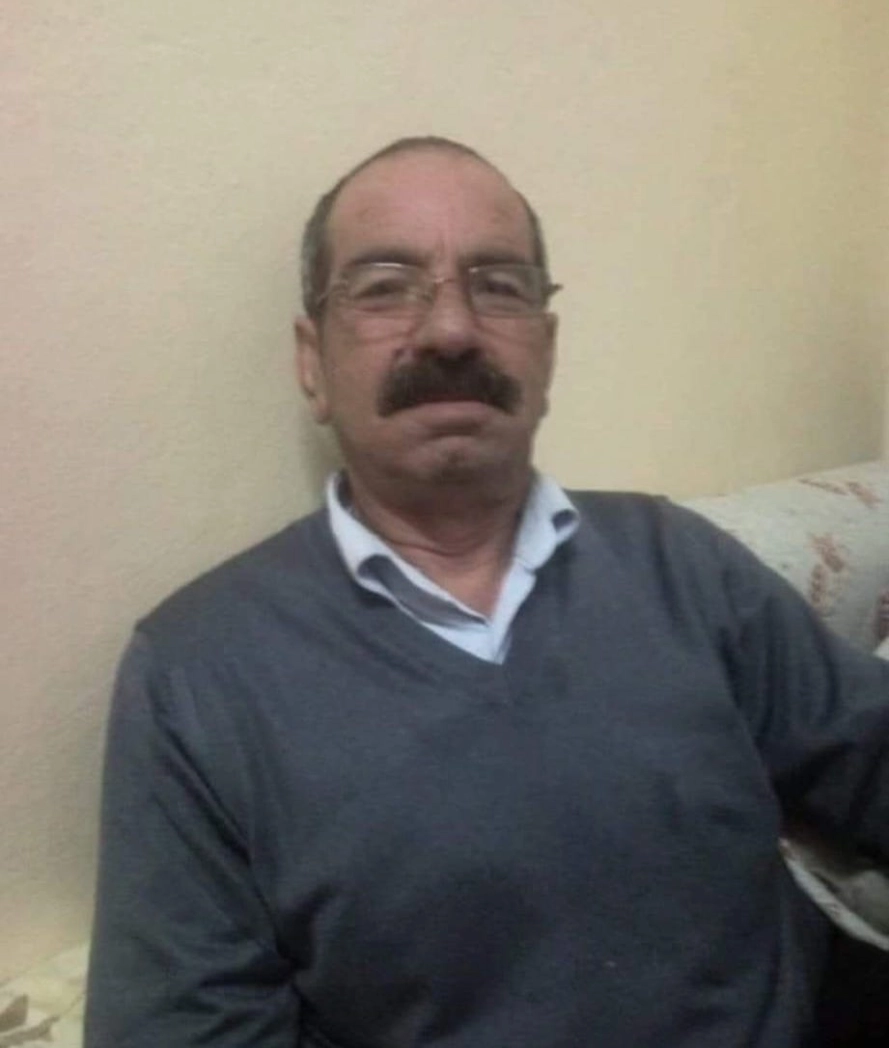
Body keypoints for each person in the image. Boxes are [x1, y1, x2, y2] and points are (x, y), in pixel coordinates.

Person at [85, 136, 889, 1047]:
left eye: (499, 285)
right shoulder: (196, 673)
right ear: (312, 361)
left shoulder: (677, 561)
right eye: (385, 286)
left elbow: (868, 757)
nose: (450, 331)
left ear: (546, 346)